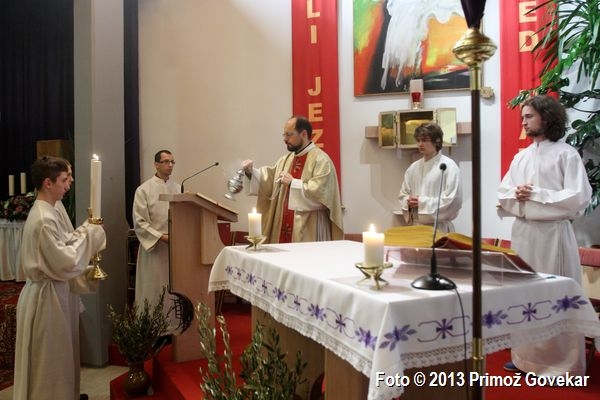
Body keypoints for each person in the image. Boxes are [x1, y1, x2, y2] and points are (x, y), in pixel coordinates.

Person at [498, 95, 592, 376]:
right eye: (522, 117)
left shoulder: (566, 154)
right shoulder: (521, 157)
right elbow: (503, 194)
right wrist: (516, 195)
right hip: (524, 233)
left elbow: (578, 197)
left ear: (547, 118)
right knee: (524, 296)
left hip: (553, 236)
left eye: (529, 116)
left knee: (553, 295)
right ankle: (525, 358)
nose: (524, 122)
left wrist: (535, 194)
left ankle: (560, 364)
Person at [13, 156, 106, 400]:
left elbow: (65, 241)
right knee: (49, 364)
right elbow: (65, 260)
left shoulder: (52, 210)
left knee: (60, 359)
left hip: (54, 292)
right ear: (48, 183)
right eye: (65, 179)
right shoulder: (43, 219)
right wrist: (91, 236)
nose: (69, 183)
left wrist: (86, 231)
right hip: (46, 300)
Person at [241, 115, 344, 243]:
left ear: (304, 134)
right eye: (284, 135)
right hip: (282, 227)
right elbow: (270, 182)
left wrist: (293, 183)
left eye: (289, 135)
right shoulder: (286, 159)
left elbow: (322, 195)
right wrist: (251, 173)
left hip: (311, 227)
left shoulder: (321, 160)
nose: (285, 139)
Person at [132, 150, 180, 330]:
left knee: (173, 290)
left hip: (175, 248)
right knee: (153, 290)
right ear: (156, 164)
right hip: (154, 248)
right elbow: (140, 221)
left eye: (172, 161)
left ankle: (174, 327)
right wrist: (160, 236)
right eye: (166, 161)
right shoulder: (144, 190)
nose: (170, 165)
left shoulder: (178, 188)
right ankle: (152, 329)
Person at [397, 122, 462, 233]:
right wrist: (408, 201)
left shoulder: (448, 166)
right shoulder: (413, 168)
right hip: (416, 228)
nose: (420, 144)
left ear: (437, 141)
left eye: (424, 140)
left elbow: (453, 200)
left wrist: (421, 202)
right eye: (418, 140)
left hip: (439, 228)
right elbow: (403, 194)